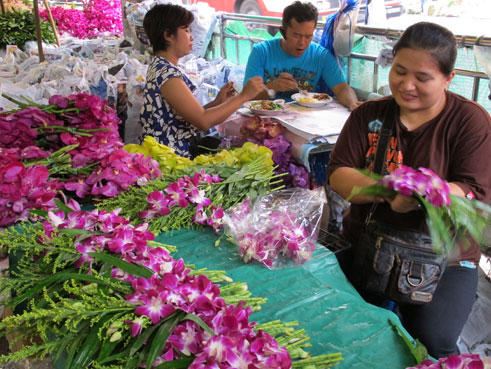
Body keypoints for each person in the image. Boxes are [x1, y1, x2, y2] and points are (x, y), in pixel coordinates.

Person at [326, 22, 491, 358]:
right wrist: (388, 191)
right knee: (339, 324)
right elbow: (338, 174)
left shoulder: (470, 121)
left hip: (447, 257)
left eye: (423, 77)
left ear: (448, 77)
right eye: (399, 71)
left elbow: (476, 190)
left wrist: (433, 193)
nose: (407, 85)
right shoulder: (370, 115)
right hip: (369, 244)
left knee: (435, 339)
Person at [139, 3, 265, 158]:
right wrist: (244, 96)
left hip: (165, 154)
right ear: (168, 35)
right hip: (169, 158)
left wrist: (219, 101)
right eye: (186, 30)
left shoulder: (161, 66)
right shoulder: (168, 76)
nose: (191, 36)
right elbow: (203, 121)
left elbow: (190, 116)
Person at [243, 1, 361, 111]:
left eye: (308, 36)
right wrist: (272, 87)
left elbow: (341, 88)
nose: (302, 43)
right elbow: (246, 97)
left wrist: (353, 105)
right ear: (283, 31)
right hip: (266, 117)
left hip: (305, 118)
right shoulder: (261, 52)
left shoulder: (320, 55)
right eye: (296, 35)